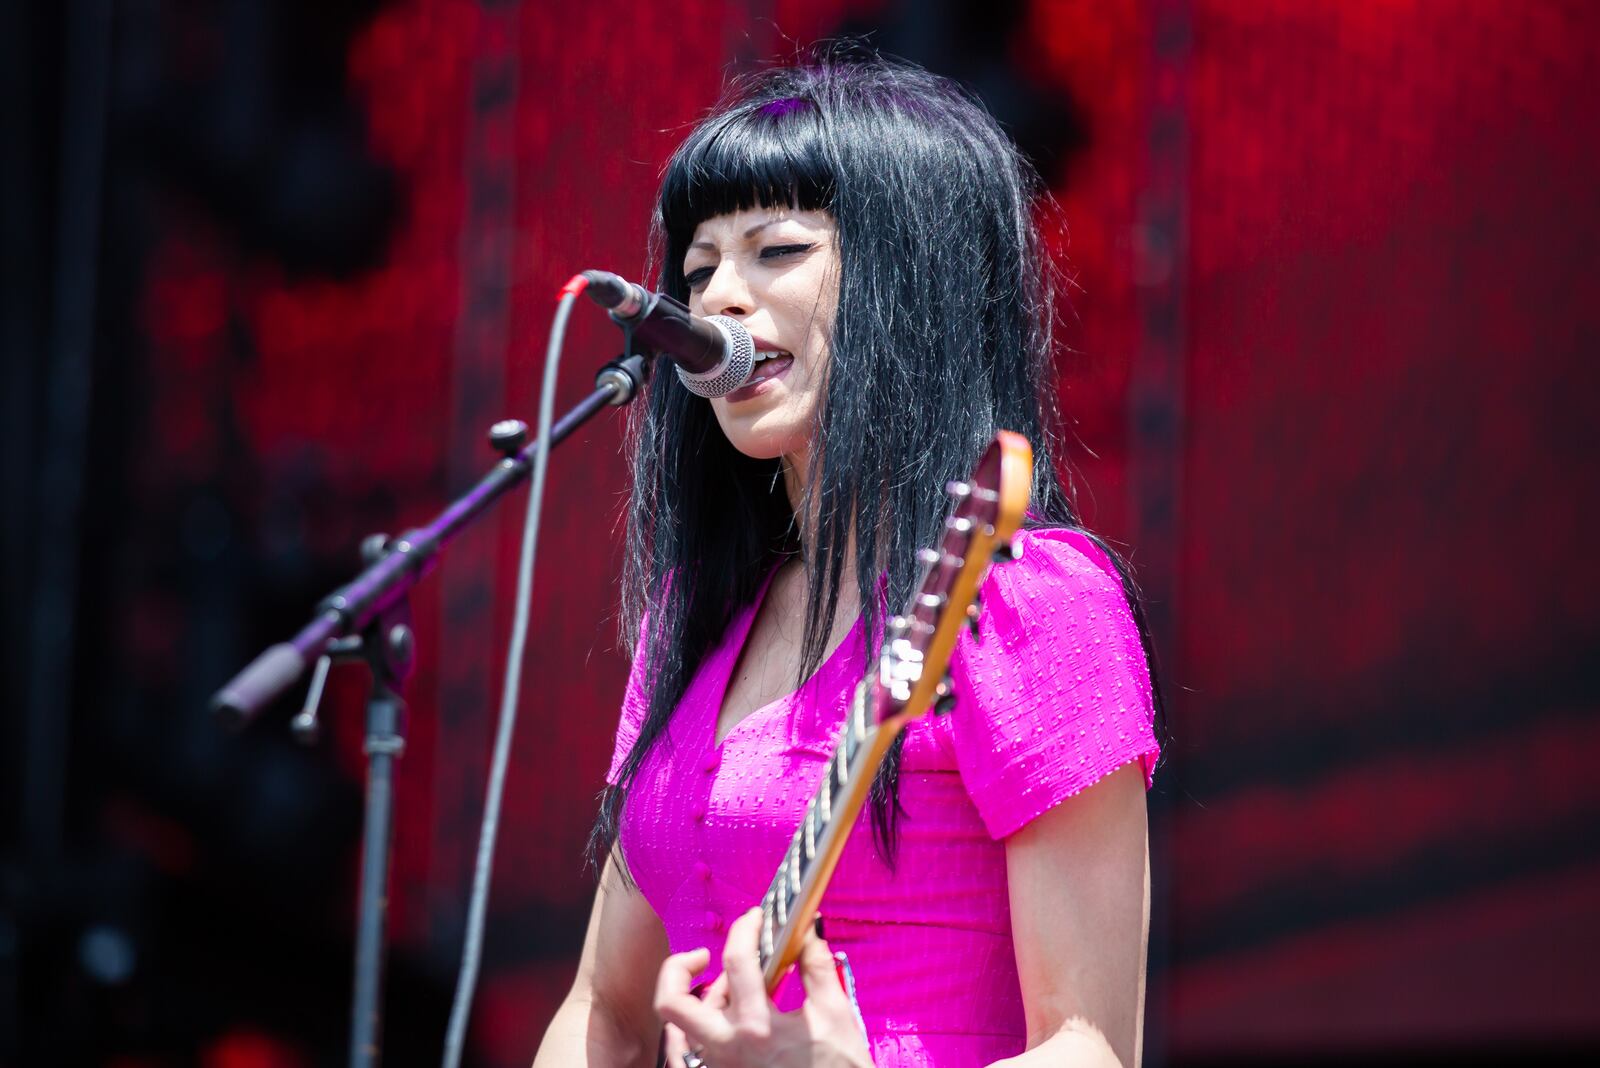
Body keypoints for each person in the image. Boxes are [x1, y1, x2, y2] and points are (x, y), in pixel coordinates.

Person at [534, 53, 1161, 1068]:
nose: (718, 301)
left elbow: (1091, 1048)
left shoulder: (1029, 602)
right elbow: (603, 1009)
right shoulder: (695, 617)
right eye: (696, 270)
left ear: (909, 279)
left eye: (774, 249)